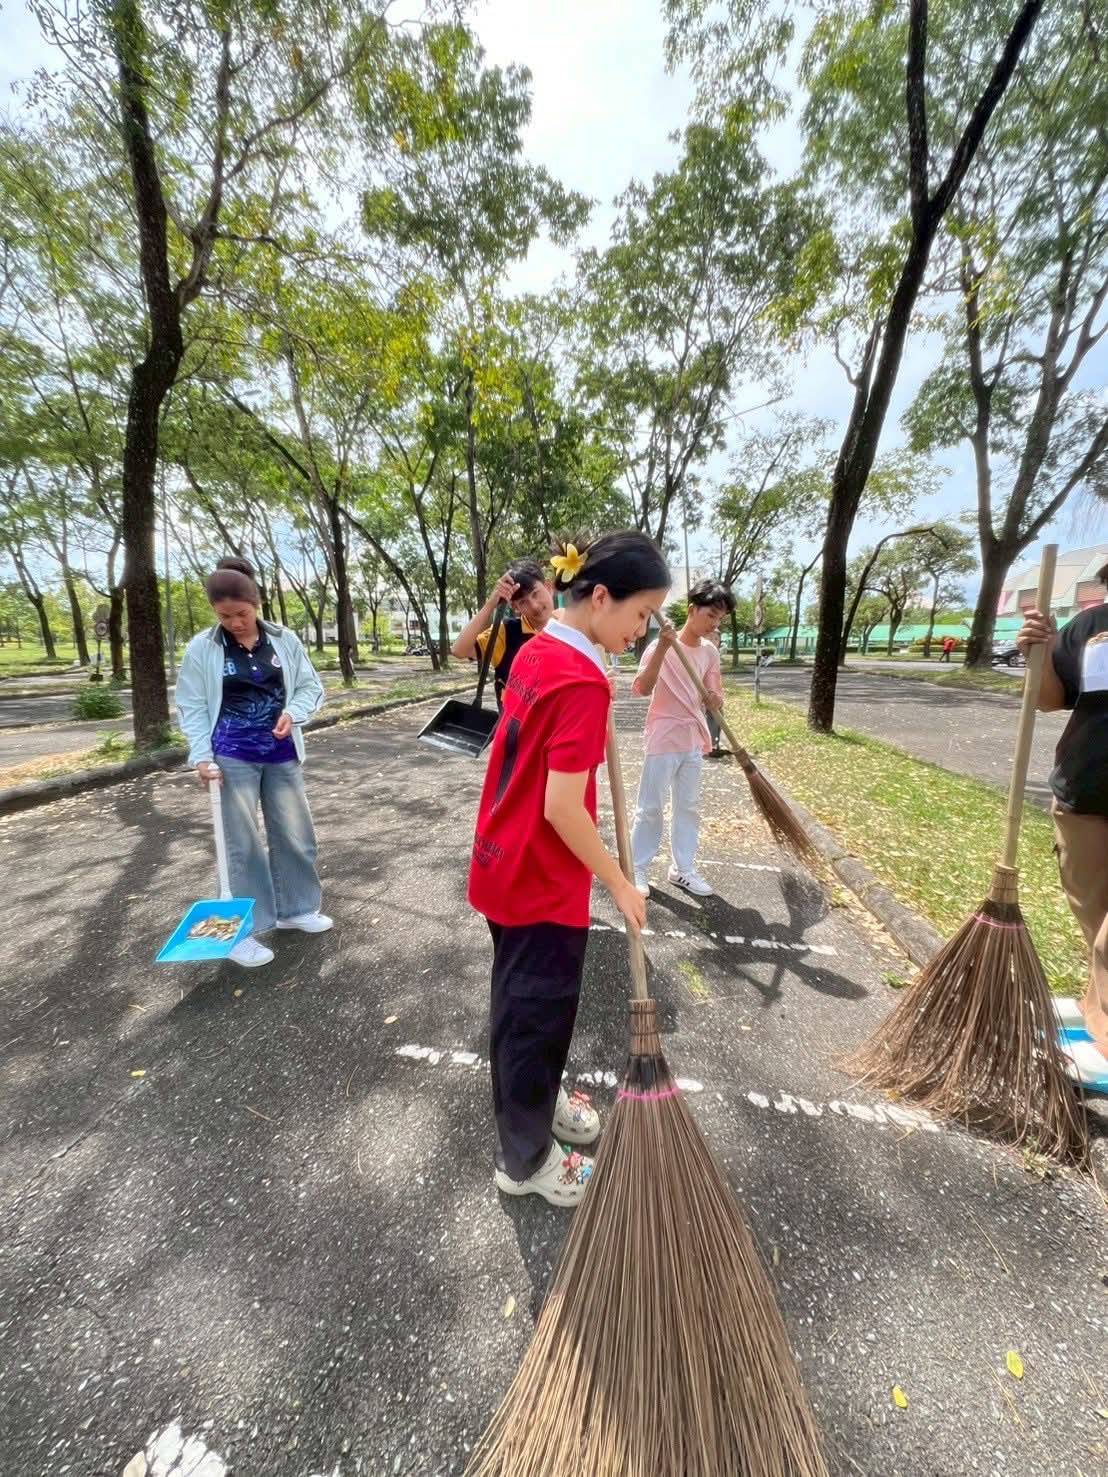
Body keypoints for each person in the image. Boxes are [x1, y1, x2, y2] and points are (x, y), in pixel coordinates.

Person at [468, 531, 670, 1207]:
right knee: (534, 1017)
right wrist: (618, 880)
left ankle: (538, 1101)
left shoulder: (543, 646)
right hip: (539, 878)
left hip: (503, 859)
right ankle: (525, 1162)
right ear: (602, 596)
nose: (641, 632)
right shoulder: (579, 676)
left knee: (522, 1012)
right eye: (639, 615)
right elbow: (562, 806)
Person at [176, 559, 330, 969]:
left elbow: (310, 687)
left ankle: (295, 909)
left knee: (295, 833)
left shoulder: (284, 640)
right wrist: (201, 757)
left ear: (256, 604)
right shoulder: (202, 648)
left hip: (280, 753)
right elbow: (191, 706)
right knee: (241, 845)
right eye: (225, 616)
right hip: (231, 756)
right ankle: (242, 931)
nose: (235, 623)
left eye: (242, 614)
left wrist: (293, 713)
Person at [1018, 571, 1108, 1061]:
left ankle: (1104, 1038)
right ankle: (1095, 1010)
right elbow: (1051, 699)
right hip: (1085, 789)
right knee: (1091, 913)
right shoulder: (1092, 626)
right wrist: (1043, 650)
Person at [630, 579, 733, 899]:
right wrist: (661, 646)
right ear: (692, 610)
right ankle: (636, 866)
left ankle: (682, 869)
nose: (714, 624)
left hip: (692, 737)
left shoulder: (709, 652)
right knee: (650, 806)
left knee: (688, 806)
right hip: (663, 734)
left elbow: (715, 694)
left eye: (720, 619)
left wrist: (715, 699)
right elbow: (642, 688)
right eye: (711, 616)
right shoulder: (661, 644)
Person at [451, 559, 555, 706]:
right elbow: (458, 650)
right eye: (523, 602)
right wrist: (491, 603)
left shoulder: (571, 626)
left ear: (549, 587)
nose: (535, 606)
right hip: (515, 727)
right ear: (515, 607)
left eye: (535, 594)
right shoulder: (505, 633)